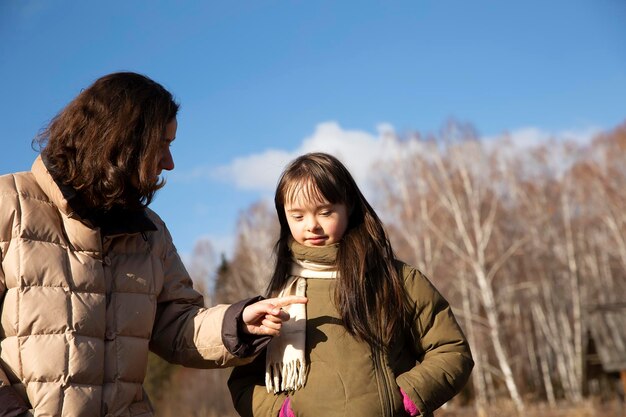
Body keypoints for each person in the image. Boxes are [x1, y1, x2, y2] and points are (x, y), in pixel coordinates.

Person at [0, 72, 306, 417]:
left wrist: (237, 323)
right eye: (162, 144)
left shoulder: (151, 232)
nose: (169, 163)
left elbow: (176, 325)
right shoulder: (9, 204)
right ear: (120, 140)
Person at [228, 152, 474, 417]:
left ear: (349, 207)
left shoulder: (397, 279)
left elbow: (451, 350)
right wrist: (281, 412)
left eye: (325, 212)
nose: (312, 226)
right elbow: (243, 383)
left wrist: (404, 400)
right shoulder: (279, 298)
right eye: (298, 216)